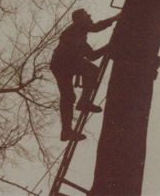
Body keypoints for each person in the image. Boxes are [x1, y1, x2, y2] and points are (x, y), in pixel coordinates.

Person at [50, 9, 119, 141]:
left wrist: (109, 46)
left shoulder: (79, 35)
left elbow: (92, 56)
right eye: (87, 15)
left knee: (68, 96)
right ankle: (83, 102)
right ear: (80, 20)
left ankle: (66, 131)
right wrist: (115, 18)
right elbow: (95, 27)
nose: (90, 16)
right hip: (63, 63)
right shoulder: (75, 29)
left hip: (61, 64)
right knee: (91, 72)